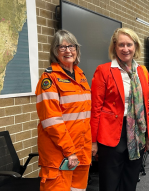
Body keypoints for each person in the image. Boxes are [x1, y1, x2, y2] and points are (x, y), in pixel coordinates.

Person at [90, 27, 149, 191]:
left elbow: (148, 104)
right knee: (110, 184)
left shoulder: (142, 71)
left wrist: (148, 133)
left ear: (135, 47)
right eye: (121, 45)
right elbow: (95, 108)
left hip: (137, 135)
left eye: (129, 44)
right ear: (114, 47)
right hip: (111, 135)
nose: (126, 49)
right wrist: (93, 141)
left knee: (130, 181)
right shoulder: (104, 71)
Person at [35, 30, 92, 191]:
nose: (68, 51)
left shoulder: (81, 76)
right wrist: (70, 151)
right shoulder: (49, 79)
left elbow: (85, 116)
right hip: (61, 156)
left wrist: (91, 144)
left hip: (82, 153)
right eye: (62, 47)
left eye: (71, 46)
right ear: (55, 51)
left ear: (77, 50)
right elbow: (52, 121)